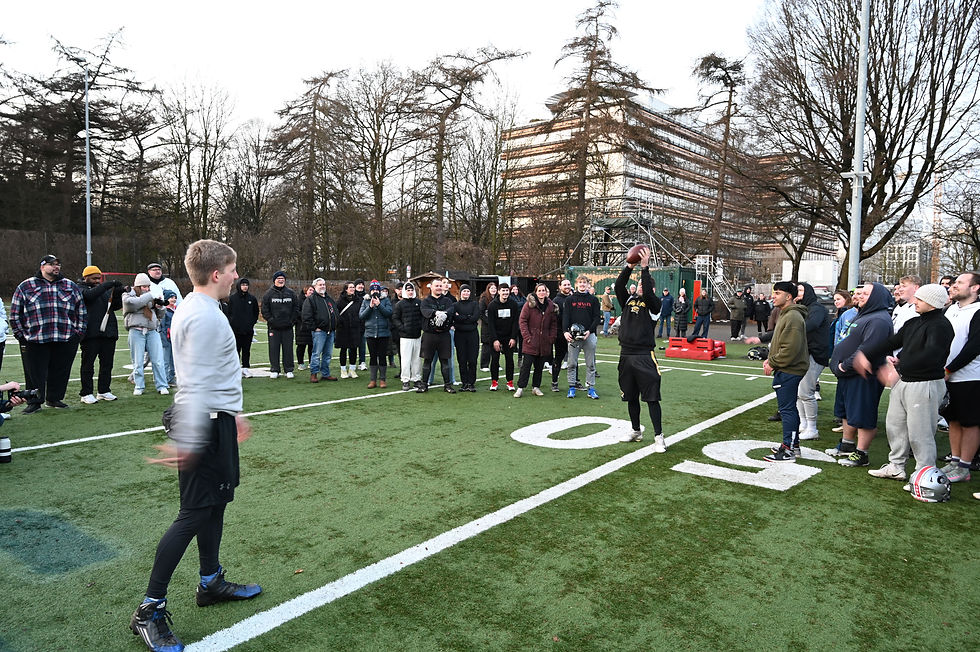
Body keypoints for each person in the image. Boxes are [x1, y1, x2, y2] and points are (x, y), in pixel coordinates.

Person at [129, 239, 260, 652]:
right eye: (233, 269)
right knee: (192, 514)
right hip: (202, 421)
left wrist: (232, 413)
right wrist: (189, 437)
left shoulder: (196, 306)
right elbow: (198, 381)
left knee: (215, 504)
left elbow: (209, 372)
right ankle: (149, 609)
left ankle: (210, 581)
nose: (236, 276)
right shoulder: (203, 315)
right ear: (217, 273)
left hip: (215, 418)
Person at [852, 284, 953, 483]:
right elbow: (892, 343)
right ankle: (896, 467)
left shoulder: (941, 325)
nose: (915, 302)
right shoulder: (914, 322)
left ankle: (924, 476)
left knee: (920, 433)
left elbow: (932, 354)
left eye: (920, 299)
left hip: (924, 383)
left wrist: (899, 366)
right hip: (905, 380)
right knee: (895, 426)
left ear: (932, 303)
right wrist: (865, 354)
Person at [826, 283, 894, 467]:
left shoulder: (879, 320)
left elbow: (868, 349)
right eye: (860, 293)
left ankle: (862, 454)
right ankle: (847, 445)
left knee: (863, 414)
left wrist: (844, 366)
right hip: (849, 375)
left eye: (866, 294)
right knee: (848, 412)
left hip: (863, 376)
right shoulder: (864, 315)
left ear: (876, 297)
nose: (860, 296)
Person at [10, 255, 86, 413]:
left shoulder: (70, 285)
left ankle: (54, 398)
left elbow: (81, 311)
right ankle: (34, 402)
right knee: (34, 373)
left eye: (58, 264)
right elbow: (15, 313)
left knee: (60, 371)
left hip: (64, 337)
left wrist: (78, 333)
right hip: (35, 339)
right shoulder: (26, 286)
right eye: (52, 264)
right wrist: (20, 335)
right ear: (42, 267)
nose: (56, 267)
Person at [614, 248, 667, 451]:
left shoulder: (655, 304)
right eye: (638, 285)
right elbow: (619, 285)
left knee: (652, 398)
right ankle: (635, 430)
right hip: (626, 354)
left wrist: (645, 268)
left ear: (650, 288)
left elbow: (649, 293)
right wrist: (630, 266)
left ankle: (659, 436)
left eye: (643, 285)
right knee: (630, 396)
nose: (639, 287)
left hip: (644, 356)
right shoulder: (628, 300)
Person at [756, 281, 810, 461]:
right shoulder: (787, 314)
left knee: (787, 410)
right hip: (787, 368)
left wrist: (773, 362)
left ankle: (789, 449)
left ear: (788, 296)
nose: (773, 296)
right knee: (788, 409)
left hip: (790, 369)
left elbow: (791, 348)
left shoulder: (792, 316)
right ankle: (793, 445)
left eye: (778, 293)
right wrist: (771, 358)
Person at [939, 271, 980, 483]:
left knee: (969, 422)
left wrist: (949, 370)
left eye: (960, 282)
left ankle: (965, 467)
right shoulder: (951, 309)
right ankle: (955, 461)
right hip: (948, 376)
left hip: (970, 377)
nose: (954, 285)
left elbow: (973, 347)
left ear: (975, 288)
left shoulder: (978, 311)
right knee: (953, 420)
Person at [78, 265, 124, 404]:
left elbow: (114, 306)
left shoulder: (103, 290)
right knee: (88, 365)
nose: (97, 281)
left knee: (107, 364)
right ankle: (86, 393)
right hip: (90, 333)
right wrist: (107, 285)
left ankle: (103, 390)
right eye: (94, 278)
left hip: (108, 332)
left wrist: (118, 294)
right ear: (86, 277)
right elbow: (90, 296)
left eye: (99, 278)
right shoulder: (80, 289)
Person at [794, 283, 831, 441]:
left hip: (814, 355)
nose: (798, 293)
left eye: (801, 290)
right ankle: (803, 423)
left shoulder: (817, 308)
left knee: (806, 392)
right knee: (798, 393)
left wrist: (790, 331)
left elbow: (811, 325)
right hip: (802, 354)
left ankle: (812, 427)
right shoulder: (800, 309)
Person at [124, 273, 170, 396]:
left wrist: (160, 307)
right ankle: (139, 386)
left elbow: (160, 315)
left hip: (152, 330)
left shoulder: (150, 297)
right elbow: (132, 304)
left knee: (158, 360)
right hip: (136, 330)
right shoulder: (128, 295)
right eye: (144, 286)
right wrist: (150, 296)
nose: (147, 289)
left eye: (148, 286)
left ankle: (162, 385)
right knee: (138, 361)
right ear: (137, 286)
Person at [515, 283, 558, 397]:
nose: (542, 292)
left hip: (544, 342)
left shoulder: (550, 306)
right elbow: (522, 321)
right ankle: (520, 388)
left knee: (539, 367)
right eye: (539, 290)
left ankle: (536, 387)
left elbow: (554, 323)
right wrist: (527, 337)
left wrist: (551, 337)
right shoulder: (529, 305)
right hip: (531, 342)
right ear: (536, 292)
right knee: (526, 366)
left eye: (543, 290)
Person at [563, 275, 601, 399]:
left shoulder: (593, 300)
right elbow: (566, 316)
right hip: (574, 336)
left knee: (591, 364)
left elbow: (597, 317)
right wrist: (565, 331)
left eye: (584, 282)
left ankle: (591, 388)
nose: (582, 284)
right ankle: (572, 387)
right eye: (580, 282)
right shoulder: (570, 299)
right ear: (576, 284)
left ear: (588, 284)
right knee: (571, 363)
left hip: (589, 335)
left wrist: (589, 331)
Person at [418, 278, 456, 393]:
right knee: (427, 360)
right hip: (429, 335)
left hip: (444, 335)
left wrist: (445, 314)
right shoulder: (426, 301)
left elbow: (451, 310)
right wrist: (435, 313)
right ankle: (424, 385)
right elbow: (424, 311)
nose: (439, 288)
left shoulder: (447, 300)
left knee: (445, 361)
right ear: (431, 287)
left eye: (440, 286)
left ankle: (447, 385)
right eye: (436, 286)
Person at [261, 271, 299, 379]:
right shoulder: (268, 294)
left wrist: (291, 321)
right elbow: (265, 310)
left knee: (288, 349)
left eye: (283, 278)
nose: (281, 280)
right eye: (278, 278)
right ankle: (275, 369)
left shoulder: (291, 293)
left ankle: (289, 370)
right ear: (274, 280)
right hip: (274, 328)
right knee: (273, 349)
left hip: (288, 327)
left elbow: (296, 308)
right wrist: (272, 321)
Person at [303, 278, 339, 383]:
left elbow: (335, 312)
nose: (322, 286)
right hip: (319, 332)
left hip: (330, 331)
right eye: (320, 285)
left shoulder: (329, 299)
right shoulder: (311, 300)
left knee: (327, 354)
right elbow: (306, 315)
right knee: (316, 353)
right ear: (315, 286)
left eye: (323, 284)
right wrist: (315, 327)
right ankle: (314, 374)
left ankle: (325, 373)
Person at [486, 284, 520, 392]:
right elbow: (491, 324)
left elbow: (515, 322)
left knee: (509, 359)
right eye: (503, 291)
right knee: (495, 359)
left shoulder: (513, 304)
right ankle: (494, 382)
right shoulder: (492, 305)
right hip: (496, 337)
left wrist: (513, 337)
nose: (505, 293)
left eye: (507, 290)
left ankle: (510, 382)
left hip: (509, 337)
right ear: (499, 292)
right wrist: (495, 339)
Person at [359, 280, 393, 388]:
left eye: (376, 290)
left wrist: (379, 305)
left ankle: (382, 380)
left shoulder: (385, 300)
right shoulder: (365, 301)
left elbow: (389, 313)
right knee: (373, 357)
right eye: (373, 290)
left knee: (382, 356)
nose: (375, 292)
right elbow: (361, 316)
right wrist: (370, 307)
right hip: (370, 333)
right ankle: (373, 380)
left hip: (383, 333)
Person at [392, 281, 424, 391]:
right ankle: (405, 380)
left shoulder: (419, 302)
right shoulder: (399, 304)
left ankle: (416, 379)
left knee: (417, 359)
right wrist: (403, 328)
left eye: (411, 290)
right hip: (405, 337)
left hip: (417, 336)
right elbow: (395, 318)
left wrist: (420, 327)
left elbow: (422, 317)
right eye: (408, 290)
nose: (410, 292)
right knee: (405, 359)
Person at [227, 278, 259, 378]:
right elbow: (228, 313)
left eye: (246, 285)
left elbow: (255, 313)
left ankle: (245, 369)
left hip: (248, 330)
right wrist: (233, 324)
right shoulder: (232, 299)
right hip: (235, 330)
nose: (245, 287)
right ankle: (235, 369)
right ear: (239, 286)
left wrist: (251, 323)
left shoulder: (252, 299)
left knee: (246, 350)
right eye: (243, 285)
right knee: (236, 350)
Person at [453, 284, 481, 392]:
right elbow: (455, 318)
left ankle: (471, 383)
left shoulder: (474, 304)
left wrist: (461, 317)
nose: (466, 293)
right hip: (460, 335)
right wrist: (467, 317)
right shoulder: (455, 305)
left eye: (468, 291)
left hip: (472, 335)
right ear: (460, 293)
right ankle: (464, 383)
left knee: (472, 360)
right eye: (464, 291)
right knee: (462, 360)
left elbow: (475, 317)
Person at [550, 279, 574, 392]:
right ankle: (554, 382)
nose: (567, 286)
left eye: (568, 284)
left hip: (573, 334)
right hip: (560, 334)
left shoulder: (573, 298)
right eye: (565, 285)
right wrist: (561, 332)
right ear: (560, 287)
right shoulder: (556, 300)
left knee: (573, 359)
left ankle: (575, 382)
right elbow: (554, 318)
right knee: (558, 358)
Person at [336, 282, 363, 379]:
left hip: (355, 328)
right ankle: (343, 370)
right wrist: (341, 322)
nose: (352, 289)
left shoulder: (358, 300)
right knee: (343, 349)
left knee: (354, 349)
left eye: (353, 287)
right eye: (350, 287)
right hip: (343, 328)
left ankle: (352, 369)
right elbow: (336, 313)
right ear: (346, 289)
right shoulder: (340, 301)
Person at [160, 291, 179, 387]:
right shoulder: (165, 311)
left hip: (174, 339)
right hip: (167, 339)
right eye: (171, 297)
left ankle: (171, 378)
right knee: (166, 361)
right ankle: (164, 380)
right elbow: (162, 327)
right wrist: (164, 340)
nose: (174, 299)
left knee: (173, 361)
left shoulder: (176, 310)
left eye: (175, 297)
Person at [479, 282, 498, 371]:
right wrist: (489, 322)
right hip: (486, 327)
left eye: (495, 288)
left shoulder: (498, 298)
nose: (493, 290)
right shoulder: (484, 299)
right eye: (491, 288)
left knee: (496, 345)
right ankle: (484, 365)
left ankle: (496, 364)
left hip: (496, 326)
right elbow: (481, 313)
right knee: (486, 346)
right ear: (488, 289)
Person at [295, 286, 314, 370]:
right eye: (310, 290)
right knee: (301, 346)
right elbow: (296, 312)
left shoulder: (314, 300)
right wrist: (305, 317)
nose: (312, 291)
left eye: (313, 290)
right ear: (305, 291)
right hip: (301, 327)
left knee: (312, 346)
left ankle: (311, 362)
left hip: (311, 326)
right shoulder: (299, 300)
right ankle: (300, 363)